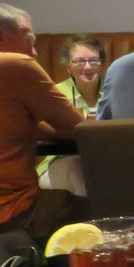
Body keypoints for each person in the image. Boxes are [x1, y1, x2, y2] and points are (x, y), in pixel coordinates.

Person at [0, 3, 86, 242]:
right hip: (11, 216)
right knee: (107, 211)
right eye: (29, 41)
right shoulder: (14, 65)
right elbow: (78, 129)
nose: (34, 53)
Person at [36, 34, 106, 196]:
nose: (87, 67)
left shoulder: (113, 89)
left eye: (94, 60)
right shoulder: (56, 94)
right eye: (80, 61)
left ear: (102, 64)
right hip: (59, 163)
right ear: (68, 66)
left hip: (103, 162)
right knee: (76, 166)